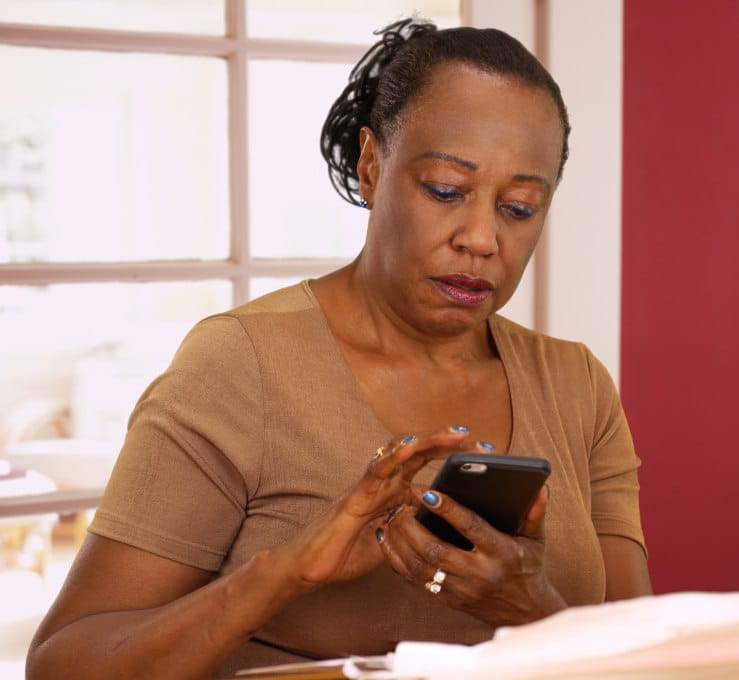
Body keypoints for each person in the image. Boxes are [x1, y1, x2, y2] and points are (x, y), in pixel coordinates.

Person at [26, 18, 650, 679]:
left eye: (520, 207)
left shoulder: (576, 384)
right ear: (372, 165)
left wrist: (530, 606)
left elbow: (655, 663)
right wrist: (286, 573)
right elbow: (65, 666)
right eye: (445, 190)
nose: (481, 238)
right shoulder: (239, 367)